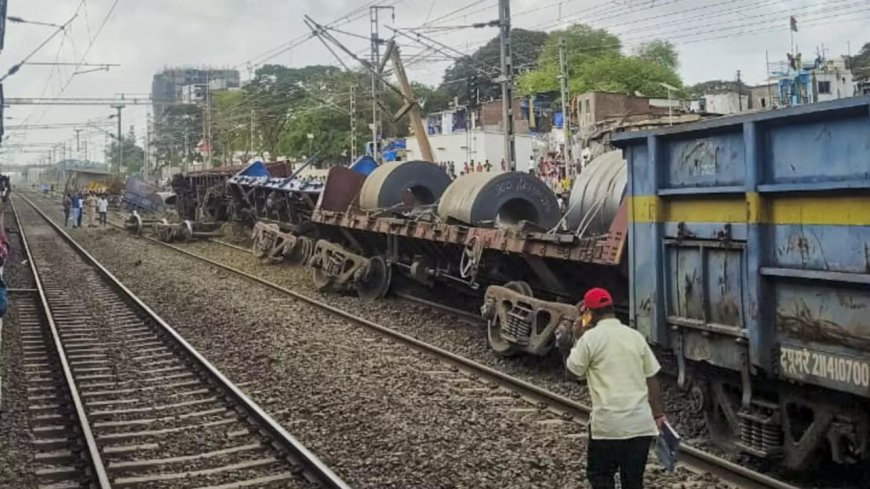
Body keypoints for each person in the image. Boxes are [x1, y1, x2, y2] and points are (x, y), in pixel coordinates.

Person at [564, 288, 666, 489]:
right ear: (611, 310)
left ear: (589, 314)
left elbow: (572, 373)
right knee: (633, 481)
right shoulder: (635, 336)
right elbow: (651, 377)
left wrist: (577, 338)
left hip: (608, 427)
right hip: (640, 425)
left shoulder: (589, 339)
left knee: (601, 477)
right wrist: (658, 414)